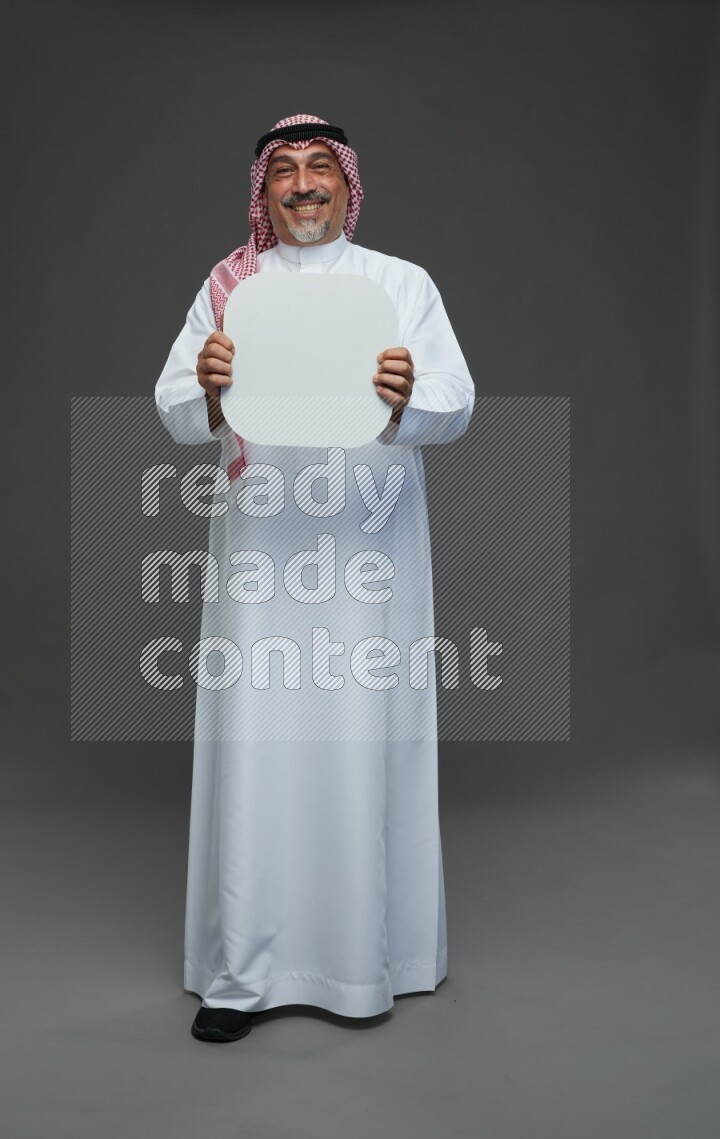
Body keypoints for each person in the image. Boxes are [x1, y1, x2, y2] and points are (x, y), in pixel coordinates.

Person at [154, 114, 476, 1043]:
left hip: (367, 552)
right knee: (258, 739)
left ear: (348, 183)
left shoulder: (399, 285)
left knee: (363, 737)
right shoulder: (231, 287)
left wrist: (407, 392)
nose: (302, 185)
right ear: (264, 190)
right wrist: (210, 387)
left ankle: (370, 961)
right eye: (284, 171)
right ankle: (241, 973)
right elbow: (175, 404)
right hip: (261, 554)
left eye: (319, 168)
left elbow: (457, 402)